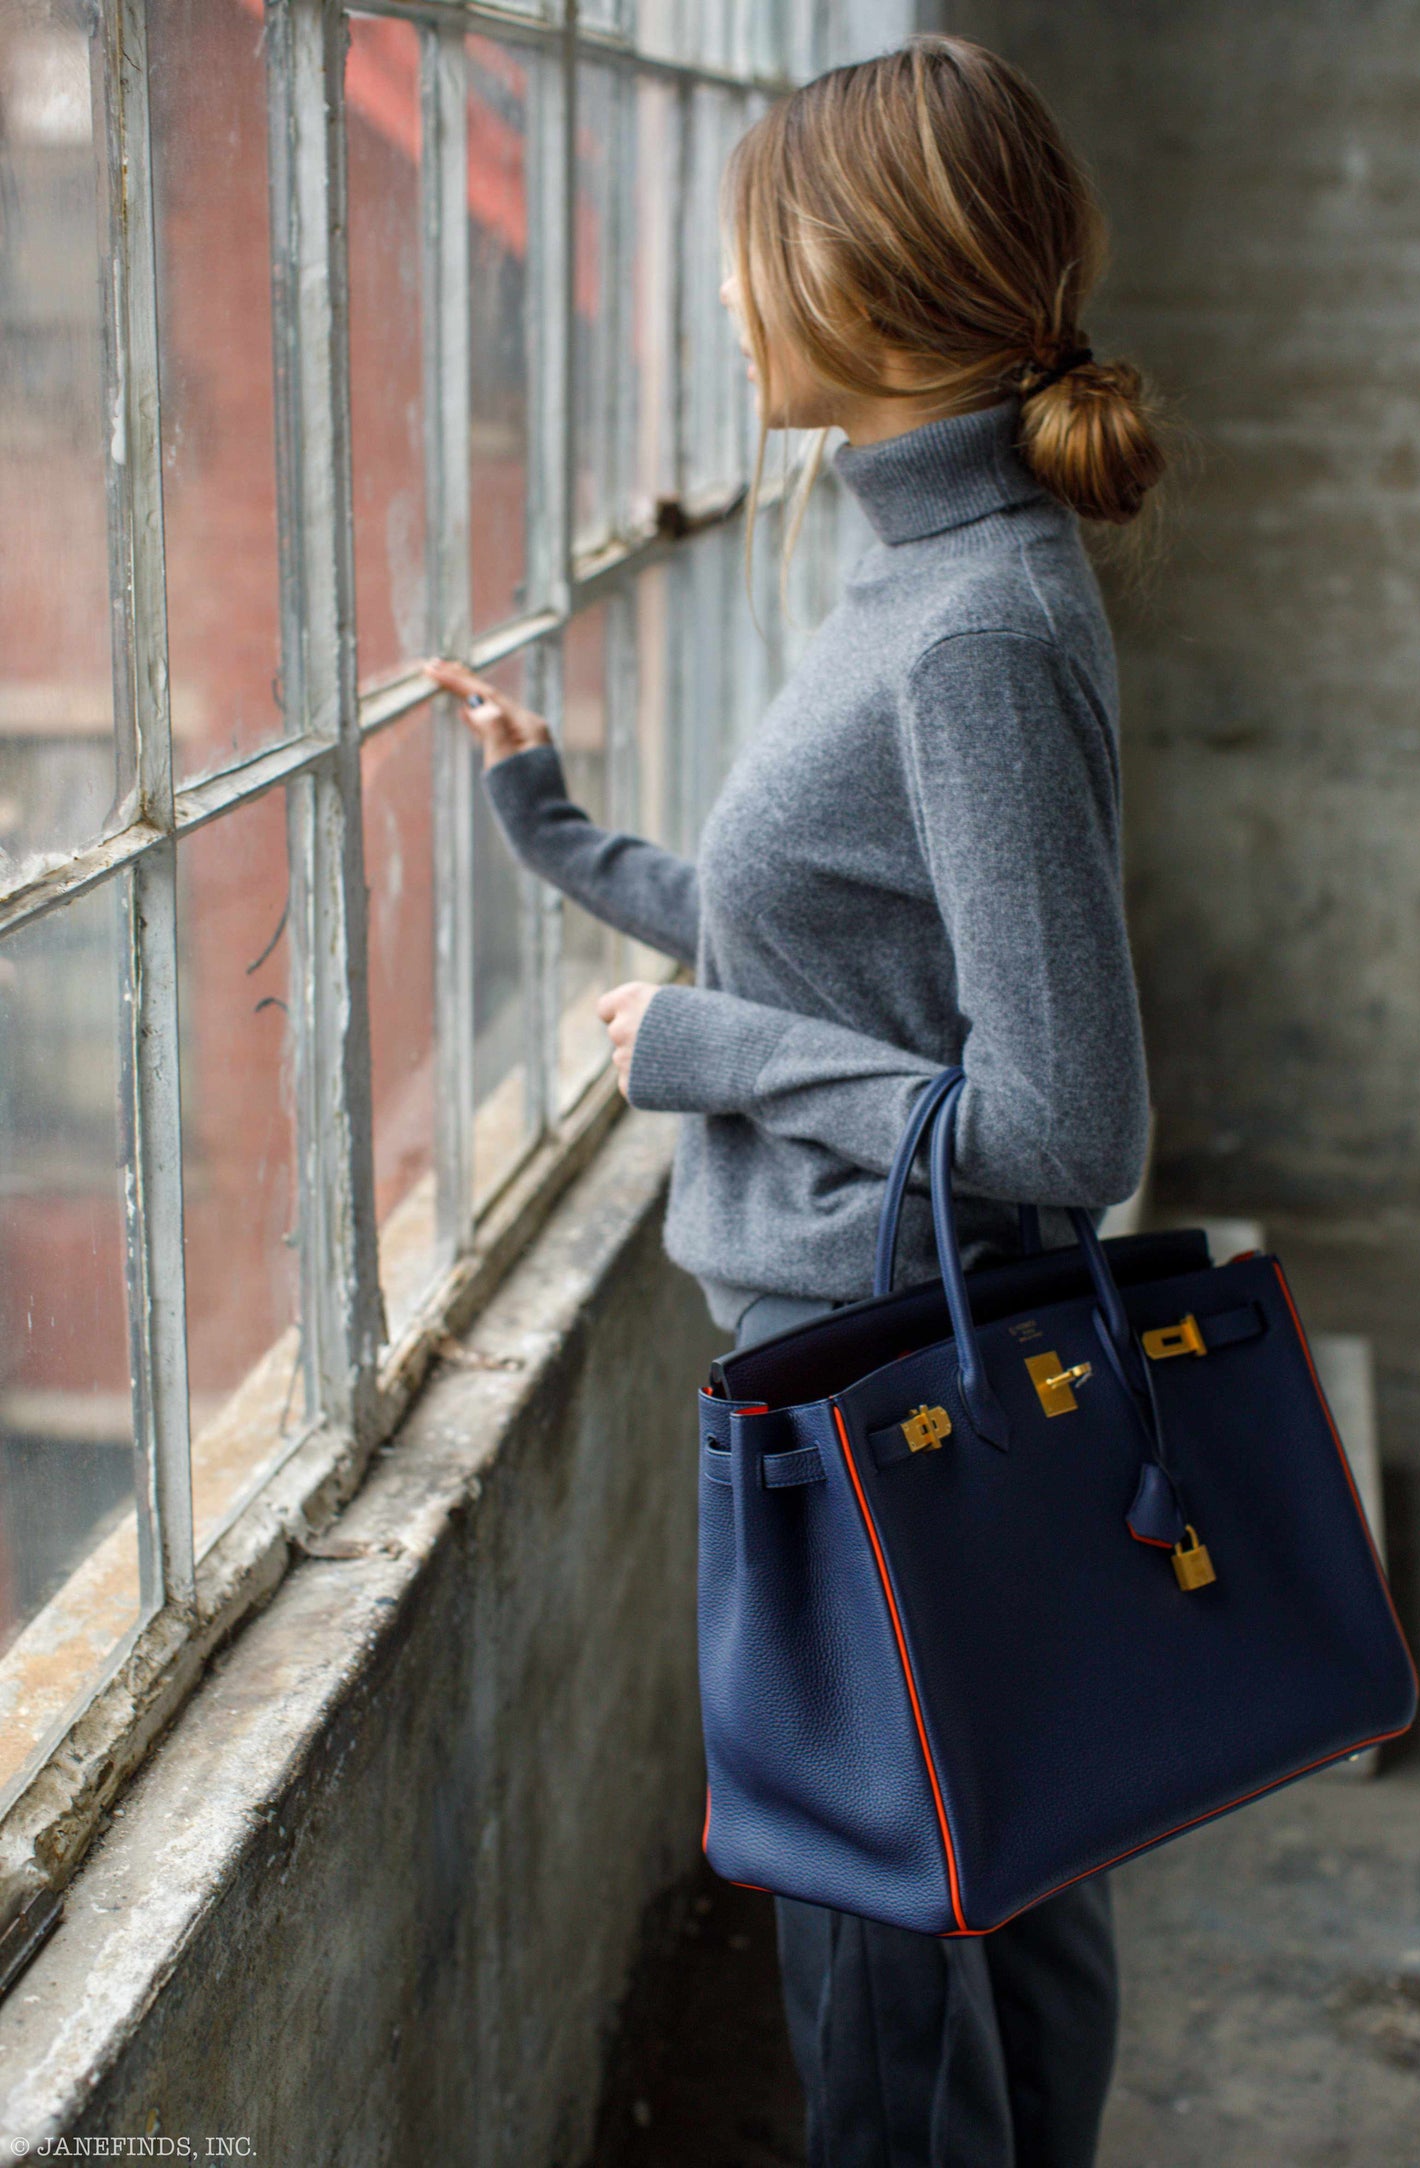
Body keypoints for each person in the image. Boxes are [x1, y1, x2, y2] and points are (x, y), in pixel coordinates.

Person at [425, 33, 1161, 2167]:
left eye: (750, 261)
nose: (729, 308)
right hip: (867, 1361)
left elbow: (1067, 1117)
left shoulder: (973, 626)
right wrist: (557, 827)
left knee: (896, 1987)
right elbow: (831, 938)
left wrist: (699, 1056)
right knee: (989, 1913)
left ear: (862, 277)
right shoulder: (923, 575)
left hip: (887, 1392)